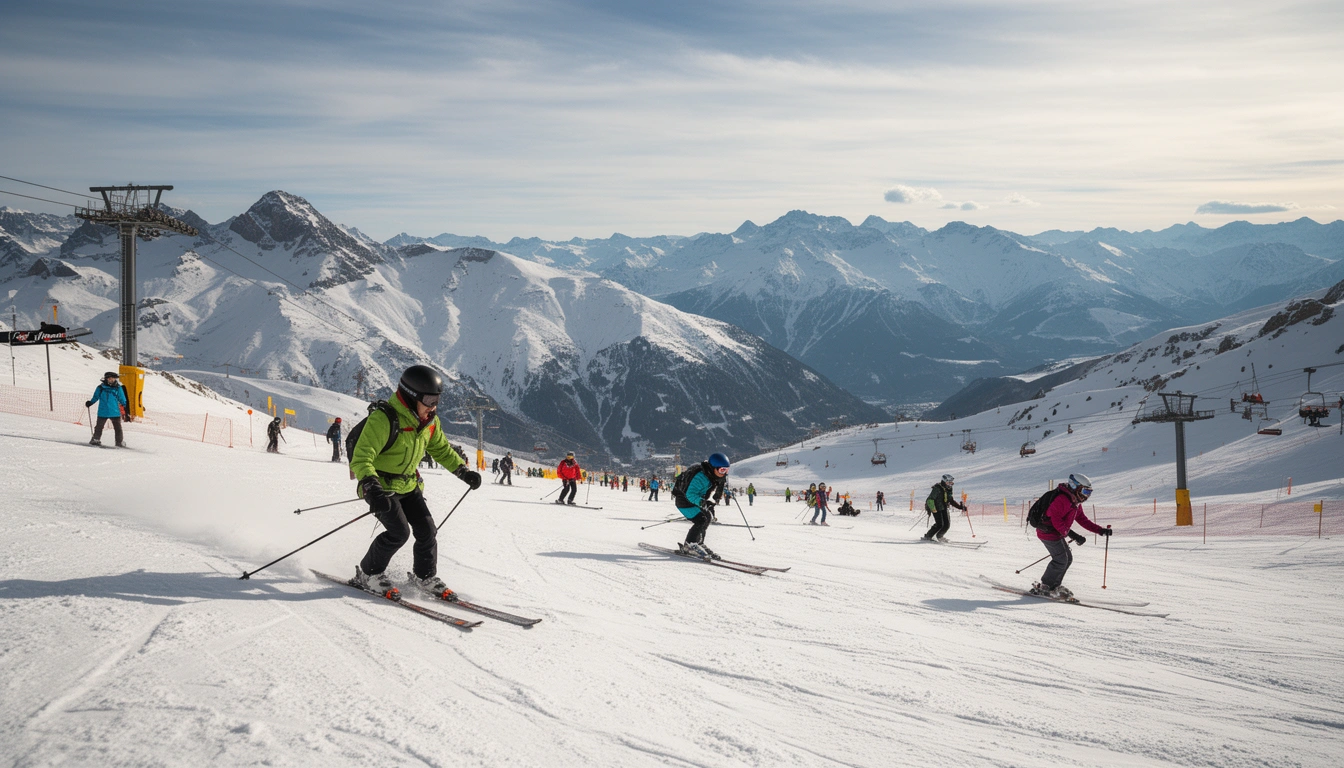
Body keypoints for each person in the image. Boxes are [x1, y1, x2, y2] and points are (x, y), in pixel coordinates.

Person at [350, 365, 481, 598]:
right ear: (411, 397)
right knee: (399, 532)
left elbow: (440, 449)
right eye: (429, 399)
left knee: (427, 530)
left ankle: (425, 576)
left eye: (437, 400)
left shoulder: (429, 421)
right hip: (382, 487)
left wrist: (463, 471)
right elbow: (363, 456)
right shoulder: (384, 419)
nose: (434, 406)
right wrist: (372, 487)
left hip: (409, 485)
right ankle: (369, 573)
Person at [1031, 473, 1110, 599]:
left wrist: (1100, 531)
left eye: (1089, 493)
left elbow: (1082, 519)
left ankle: (1054, 585)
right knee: (1060, 560)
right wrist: (1073, 535)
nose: (1086, 496)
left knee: (1068, 559)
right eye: (1085, 491)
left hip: (1057, 533)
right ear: (1075, 487)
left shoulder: (1075, 502)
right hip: (1047, 533)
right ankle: (1046, 585)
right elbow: (1056, 521)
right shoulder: (1062, 499)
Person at [675, 453, 731, 559]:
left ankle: (698, 542)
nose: (724, 473)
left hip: (693, 501)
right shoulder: (701, 477)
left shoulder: (712, 475)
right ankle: (689, 544)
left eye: (727, 470)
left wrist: (708, 501)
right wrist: (702, 502)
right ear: (713, 468)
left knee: (707, 517)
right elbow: (690, 494)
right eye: (722, 470)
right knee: (701, 519)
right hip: (684, 502)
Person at [86, 371, 129, 447]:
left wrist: (126, 407)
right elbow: (96, 397)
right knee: (102, 427)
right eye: (110, 378)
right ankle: (118, 442)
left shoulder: (115, 388)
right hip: (110, 411)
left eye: (113, 378)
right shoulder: (104, 388)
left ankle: (97, 439)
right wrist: (91, 402)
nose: (112, 380)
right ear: (106, 379)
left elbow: (122, 399)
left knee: (116, 428)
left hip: (107, 411)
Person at [922, 474, 966, 541]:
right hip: (936, 508)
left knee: (946, 525)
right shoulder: (937, 488)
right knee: (939, 524)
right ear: (944, 481)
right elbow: (930, 499)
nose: (950, 484)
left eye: (951, 482)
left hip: (944, 507)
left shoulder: (949, 488)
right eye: (948, 482)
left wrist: (960, 507)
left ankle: (940, 536)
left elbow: (950, 500)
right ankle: (928, 536)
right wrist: (933, 509)